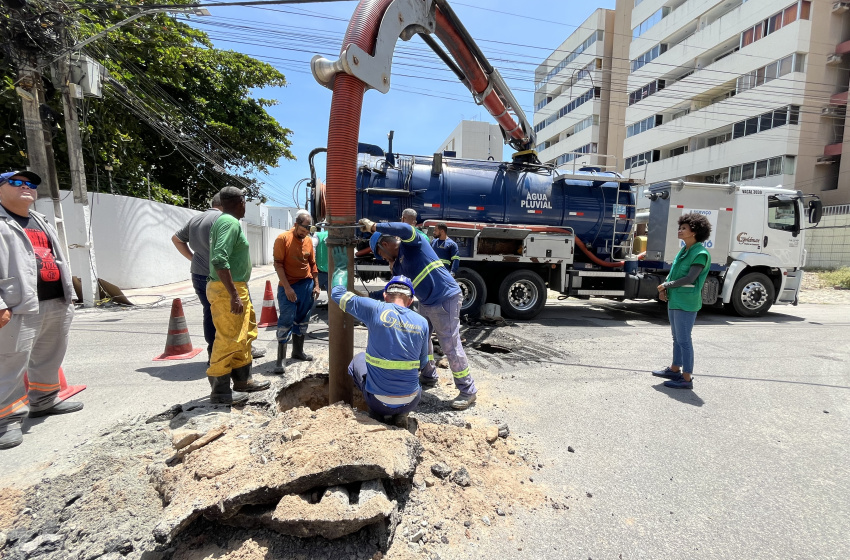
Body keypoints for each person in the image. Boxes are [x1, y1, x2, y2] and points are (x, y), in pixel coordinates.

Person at [358, 218, 478, 410]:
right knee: (422, 338)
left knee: (450, 344)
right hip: (427, 301)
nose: (381, 258)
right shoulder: (397, 266)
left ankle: (467, 390)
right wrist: (367, 296)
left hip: (445, 297)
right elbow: (394, 291)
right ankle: (429, 376)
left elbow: (405, 228)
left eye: (380, 253)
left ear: (386, 244)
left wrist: (374, 226)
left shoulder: (413, 244)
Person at [0, 170, 82, 450]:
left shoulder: (39, 219)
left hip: (53, 299)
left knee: (50, 354)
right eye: (17, 182)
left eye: (31, 184)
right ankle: (5, 419)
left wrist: (68, 294)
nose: (27, 187)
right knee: (9, 360)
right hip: (16, 304)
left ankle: (45, 400)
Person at [331, 276, 428, 428]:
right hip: (411, 400)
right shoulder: (422, 322)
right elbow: (423, 363)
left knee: (358, 359)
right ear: (409, 302)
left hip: (378, 402)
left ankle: (376, 414)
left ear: (385, 296)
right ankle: (401, 414)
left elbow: (337, 295)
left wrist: (340, 272)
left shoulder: (375, 309)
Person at [206, 187, 270, 404]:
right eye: (245, 201)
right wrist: (233, 294)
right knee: (229, 338)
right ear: (241, 201)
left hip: (236, 287)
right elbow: (219, 259)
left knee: (245, 333)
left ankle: (243, 380)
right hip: (227, 290)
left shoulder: (227, 222)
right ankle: (220, 392)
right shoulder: (229, 223)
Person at [652, 213, 713, 390]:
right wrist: (665, 291)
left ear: (694, 231)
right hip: (676, 299)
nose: (680, 230)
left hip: (687, 302)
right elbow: (675, 273)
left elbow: (690, 278)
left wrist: (666, 285)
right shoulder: (685, 250)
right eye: (680, 227)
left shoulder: (700, 253)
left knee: (684, 340)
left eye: (684, 228)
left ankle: (686, 378)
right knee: (676, 338)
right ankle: (674, 369)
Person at [272, 210, 320, 374]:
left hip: (306, 285)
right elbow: (278, 265)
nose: (304, 234)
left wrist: (316, 285)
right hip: (289, 286)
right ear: (295, 225)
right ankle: (280, 360)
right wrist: (287, 288)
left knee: (303, 319)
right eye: (302, 230)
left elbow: (313, 264)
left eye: (307, 231)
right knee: (286, 320)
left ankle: (298, 351)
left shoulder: (308, 241)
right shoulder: (283, 239)